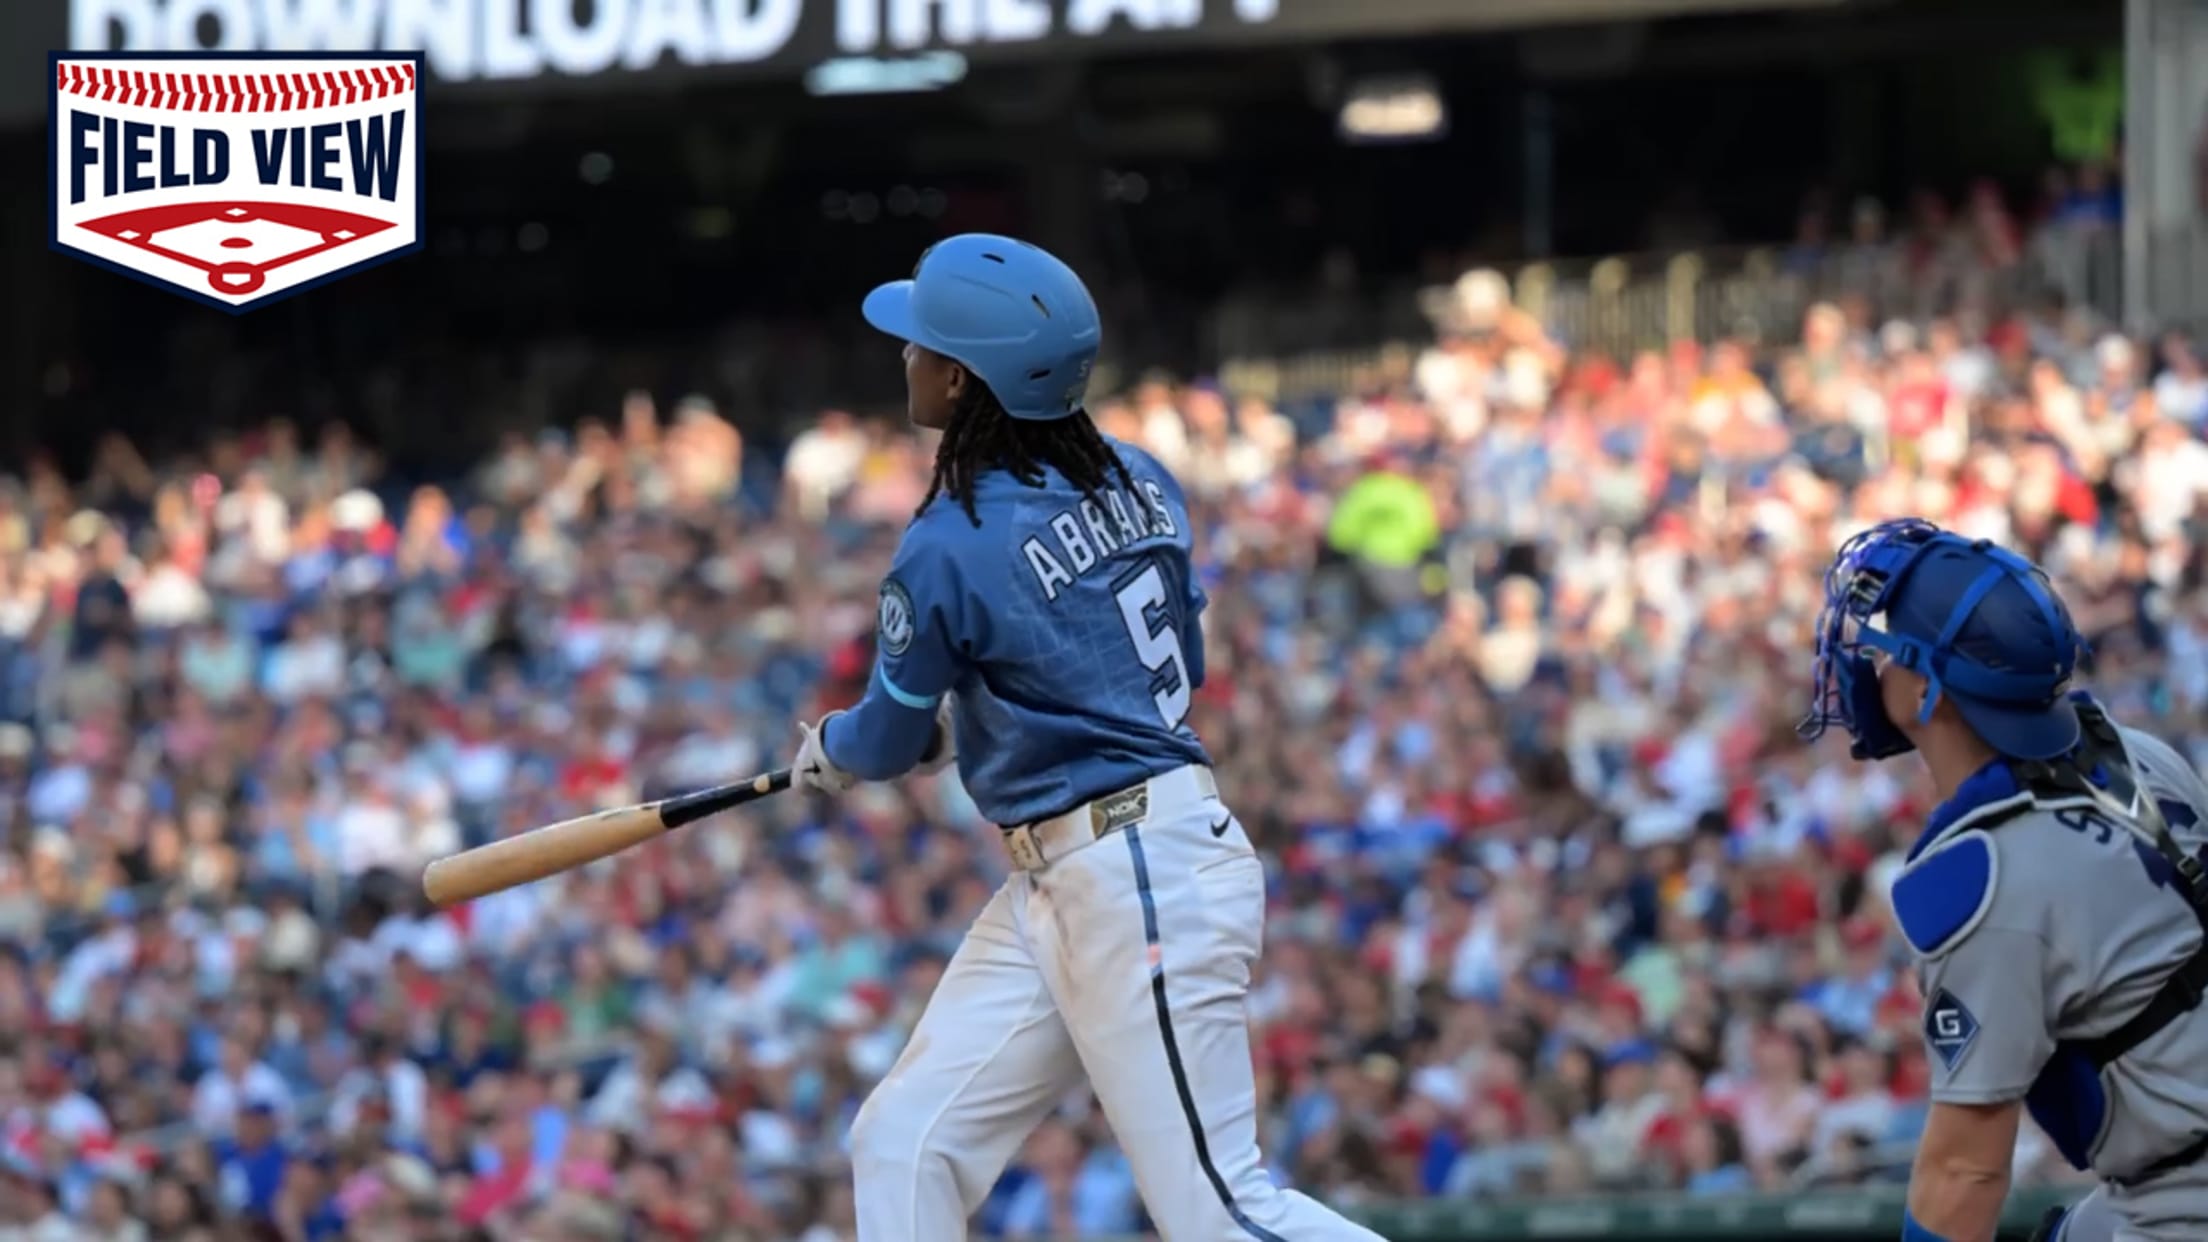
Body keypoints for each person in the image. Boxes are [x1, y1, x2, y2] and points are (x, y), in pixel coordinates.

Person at [790, 233, 1386, 1241]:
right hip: (1077, 873)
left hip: (1136, 871)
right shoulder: (1139, 474)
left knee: (1221, 1215)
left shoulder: (947, 537)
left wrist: (834, 752)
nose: (907, 354)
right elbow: (1167, 666)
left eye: (923, 342)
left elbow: (883, 745)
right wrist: (972, 724)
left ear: (963, 380)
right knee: (904, 1142)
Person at [1798, 517, 2208, 1242]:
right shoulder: (2137, 752)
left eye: (1889, 646)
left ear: (1930, 693)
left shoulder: (1985, 880)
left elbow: (1965, 1175)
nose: (1872, 660)